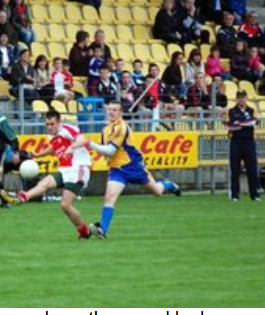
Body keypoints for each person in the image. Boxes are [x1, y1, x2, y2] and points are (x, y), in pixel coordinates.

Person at [74, 101, 181, 239]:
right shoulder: (106, 129)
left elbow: (110, 151)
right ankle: (103, 230)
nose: (111, 112)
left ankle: (170, 185)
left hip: (133, 166)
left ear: (121, 113)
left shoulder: (121, 127)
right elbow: (105, 151)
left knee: (157, 191)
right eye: (109, 109)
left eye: (115, 110)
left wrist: (90, 143)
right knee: (110, 197)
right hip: (117, 169)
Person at [13, 111, 93, 239]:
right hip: (65, 169)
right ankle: (23, 197)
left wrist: (72, 147)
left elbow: (84, 139)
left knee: (65, 204)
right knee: (44, 183)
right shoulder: (51, 136)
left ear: (59, 122)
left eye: (52, 124)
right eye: (47, 124)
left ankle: (84, 231)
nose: (49, 127)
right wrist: (38, 155)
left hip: (78, 168)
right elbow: (53, 149)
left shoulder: (67, 129)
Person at [225, 91, 260, 202]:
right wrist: (244, 124)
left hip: (249, 141)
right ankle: (235, 195)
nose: (241, 100)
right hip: (235, 142)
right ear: (236, 99)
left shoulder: (252, 110)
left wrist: (239, 123)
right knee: (235, 169)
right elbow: (229, 125)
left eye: (243, 97)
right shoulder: (231, 111)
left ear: (246, 98)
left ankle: (254, 194)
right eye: (239, 97)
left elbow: (254, 122)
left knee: (252, 168)